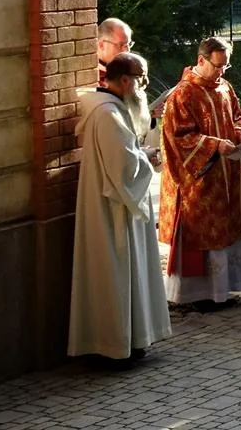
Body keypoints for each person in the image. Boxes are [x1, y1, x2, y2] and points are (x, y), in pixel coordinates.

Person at [68, 52, 171, 362]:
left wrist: (143, 149)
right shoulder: (107, 114)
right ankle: (115, 345)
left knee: (125, 272)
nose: (145, 85)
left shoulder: (112, 108)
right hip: (113, 209)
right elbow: (123, 167)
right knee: (117, 273)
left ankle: (131, 339)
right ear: (125, 81)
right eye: (142, 79)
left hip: (118, 203)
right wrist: (147, 157)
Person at [158, 36, 241, 308]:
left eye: (226, 66)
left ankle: (224, 291)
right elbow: (179, 137)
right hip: (199, 179)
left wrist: (240, 134)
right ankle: (197, 295)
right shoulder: (183, 93)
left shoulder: (224, 87)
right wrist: (214, 145)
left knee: (227, 231)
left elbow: (236, 117)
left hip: (226, 174)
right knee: (202, 233)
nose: (222, 72)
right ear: (201, 60)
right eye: (217, 66)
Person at [96, 17, 133, 87]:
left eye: (129, 44)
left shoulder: (128, 70)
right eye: (121, 45)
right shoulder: (90, 77)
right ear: (101, 45)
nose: (127, 50)